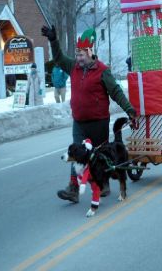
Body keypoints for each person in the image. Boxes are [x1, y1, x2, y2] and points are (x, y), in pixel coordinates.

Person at [41, 25, 137, 203]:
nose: (77, 58)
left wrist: (129, 110)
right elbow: (59, 58)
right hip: (79, 121)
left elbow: (116, 92)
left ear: (90, 52)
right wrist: (53, 40)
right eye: (76, 55)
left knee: (100, 156)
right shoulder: (73, 67)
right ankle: (73, 189)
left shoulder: (102, 71)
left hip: (98, 122)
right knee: (76, 151)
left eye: (81, 55)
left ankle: (104, 184)